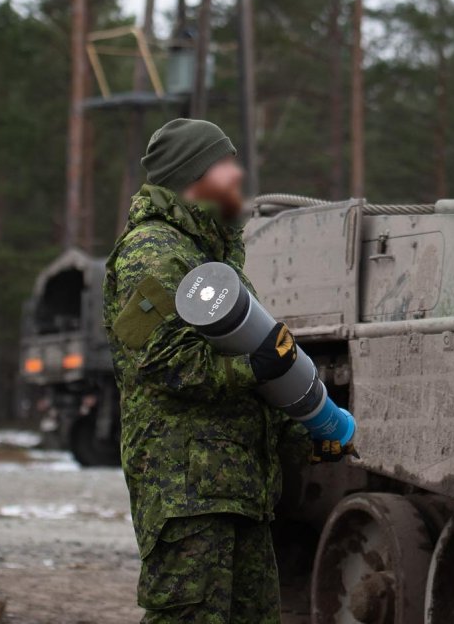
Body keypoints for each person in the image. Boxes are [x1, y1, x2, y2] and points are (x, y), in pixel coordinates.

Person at [104, 118, 348, 624]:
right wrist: (253, 365)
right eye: (224, 163)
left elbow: (253, 378)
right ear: (193, 175)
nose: (238, 174)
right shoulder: (152, 253)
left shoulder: (210, 255)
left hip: (238, 490)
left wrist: (304, 434)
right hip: (186, 492)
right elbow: (160, 363)